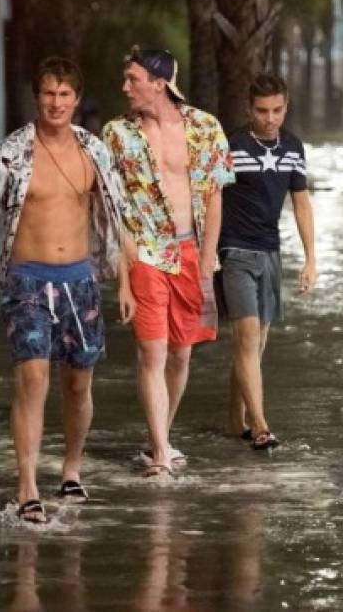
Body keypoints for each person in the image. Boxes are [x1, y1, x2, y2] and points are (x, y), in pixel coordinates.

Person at [0, 57, 132, 524]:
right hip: (27, 280)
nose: (56, 103)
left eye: (64, 94)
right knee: (33, 381)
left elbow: (118, 220)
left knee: (78, 385)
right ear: (37, 98)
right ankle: (27, 486)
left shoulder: (95, 152)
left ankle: (71, 471)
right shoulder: (10, 153)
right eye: (48, 94)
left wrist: (127, 283)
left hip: (81, 280)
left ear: (77, 100)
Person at [103, 46, 233, 479]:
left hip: (191, 250)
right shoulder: (117, 134)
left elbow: (215, 197)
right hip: (145, 250)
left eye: (133, 79)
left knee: (181, 354)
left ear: (159, 83)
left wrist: (209, 259)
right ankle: (160, 454)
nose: (125, 88)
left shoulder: (205, 127)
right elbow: (112, 207)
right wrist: (124, 269)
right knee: (152, 351)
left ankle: (160, 434)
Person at [217, 73, 316, 450]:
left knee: (255, 346)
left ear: (285, 108)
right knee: (245, 338)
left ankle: (233, 421)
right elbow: (211, 200)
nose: (269, 118)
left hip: (271, 252)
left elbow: (301, 203)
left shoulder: (293, 147)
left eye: (276, 110)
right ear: (249, 109)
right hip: (235, 251)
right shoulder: (233, 146)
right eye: (261, 111)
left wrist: (310, 259)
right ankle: (259, 425)